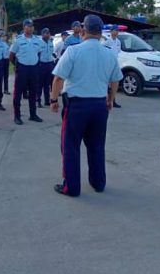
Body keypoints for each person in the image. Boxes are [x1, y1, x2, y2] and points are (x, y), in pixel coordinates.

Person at [50, 14, 122, 197]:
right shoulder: (108, 53)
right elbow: (115, 81)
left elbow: (58, 78)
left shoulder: (74, 51)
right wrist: (111, 99)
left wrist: (53, 100)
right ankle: (98, 183)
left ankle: (71, 187)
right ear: (100, 32)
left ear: (83, 30)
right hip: (99, 105)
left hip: (77, 106)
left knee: (70, 146)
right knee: (97, 146)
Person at [10, 19, 43, 125]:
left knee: (33, 93)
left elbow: (38, 53)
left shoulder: (37, 40)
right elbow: (11, 55)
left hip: (33, 69)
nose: (30, 28)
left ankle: (33, 114)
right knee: (18, 93)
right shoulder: (18, 40)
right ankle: (17, 116)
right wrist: (17, 65)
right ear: (23, 27)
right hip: (22, 69)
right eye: (27, 26)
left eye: (31, 26)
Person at [102, 26, 122, 108]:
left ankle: (113, 100)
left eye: (118, 30)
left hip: (115, 63)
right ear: (111, 32)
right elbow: (102, 51)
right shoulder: (107, 41)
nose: (117, 32)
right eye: (115, 30)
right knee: (107, 83)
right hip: (108, 64)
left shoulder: (118, 41)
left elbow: (118, 52)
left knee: (114, 82)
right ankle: (106, 100)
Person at [36, 27, 56, 107]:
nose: (48, 34)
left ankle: (47, 100)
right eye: (46, 33)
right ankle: (38, 101)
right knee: (40, 84)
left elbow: (52, 53)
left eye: (48, 33)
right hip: (41, 64)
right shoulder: (39, 43)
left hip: (49, 64)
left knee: (47, 84)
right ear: (42, 34)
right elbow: (37, 54)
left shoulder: (51, 42)